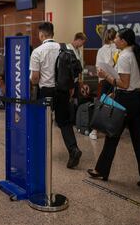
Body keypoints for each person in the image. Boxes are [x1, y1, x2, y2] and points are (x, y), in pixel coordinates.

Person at [87, 28, 140, 190]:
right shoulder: (137, 54)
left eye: (117, 38)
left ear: (124, 41)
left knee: (112, 135)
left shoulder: (125, 57)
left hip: (126, 100)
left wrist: (106, 76)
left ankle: (101, 170)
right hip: (138, 99)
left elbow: (123, 83)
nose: (114, 40)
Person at [30, 22, 82, 169]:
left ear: (41, 34)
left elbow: (35, 78)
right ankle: (73, 149)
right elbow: (73, 71)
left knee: (41, 122)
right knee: (64, 122)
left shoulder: (38, 51)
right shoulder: (65, 48)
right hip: (63, 90)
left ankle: (39, 153)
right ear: (52, 33)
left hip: (45, 91)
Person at [89, 28, 118, 140]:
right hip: (115, 80)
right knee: (112, 105)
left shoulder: (101, 50)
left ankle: (95, 130)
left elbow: (98, 68)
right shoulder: (117, 49)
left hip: (105, 80)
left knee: (102, 105)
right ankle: (105, 129)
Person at [67, 32, 87, 105]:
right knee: (69, 101)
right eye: (82, 42)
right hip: (69, 81)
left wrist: (81, 82)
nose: (82, 45)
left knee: (76, 101)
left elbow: (80, 68)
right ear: (78, 40)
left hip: (76, 81)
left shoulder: (79, 52)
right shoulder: (67, 49)